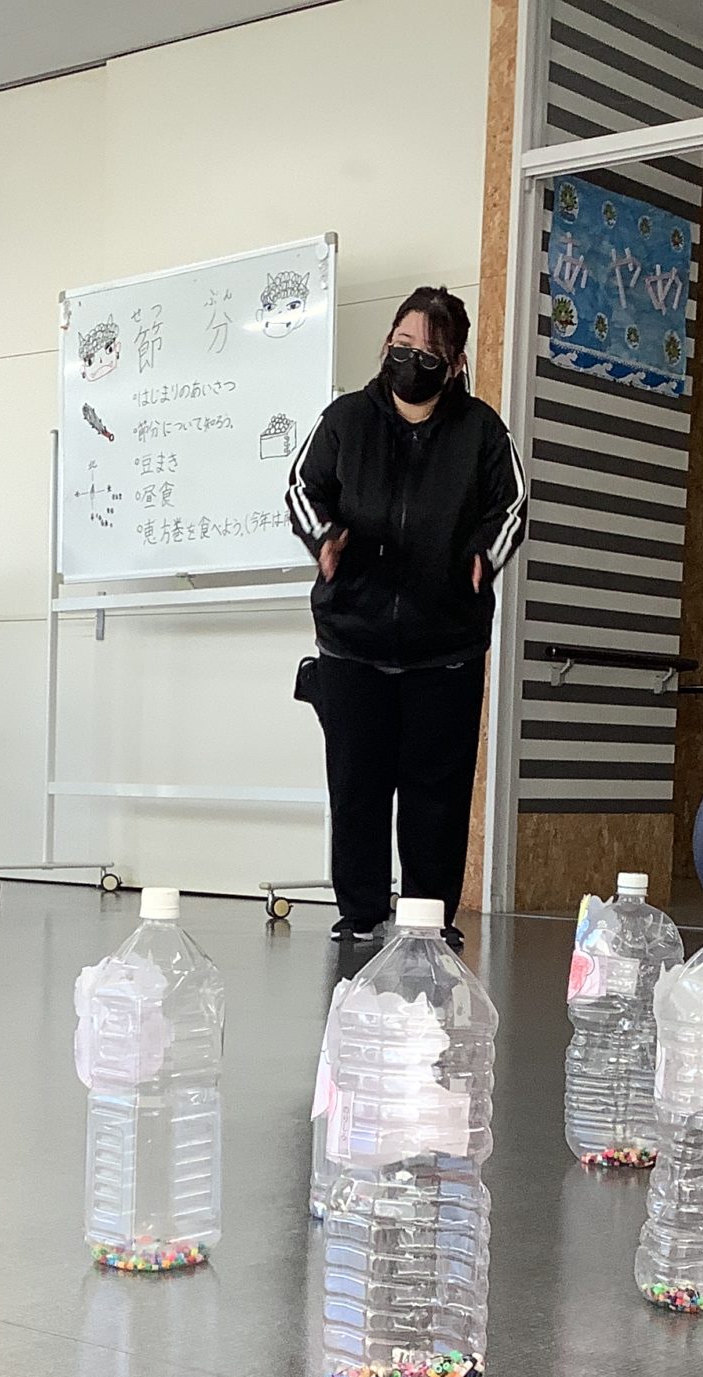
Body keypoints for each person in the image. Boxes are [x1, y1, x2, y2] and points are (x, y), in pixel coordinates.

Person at [284, 285, 524, 948]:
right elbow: (303, 486)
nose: (411, 360)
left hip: (446, 643)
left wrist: (483, 555)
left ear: (454, 364)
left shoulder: (481, 431)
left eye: (428, 352)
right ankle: (360, 914)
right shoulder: (346, 419)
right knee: (356, 786)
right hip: (352, 638)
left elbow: (510, 507)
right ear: (387, 344)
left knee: (436, 793)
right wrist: (324, 536)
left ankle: (428, 918)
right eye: (402, 345)